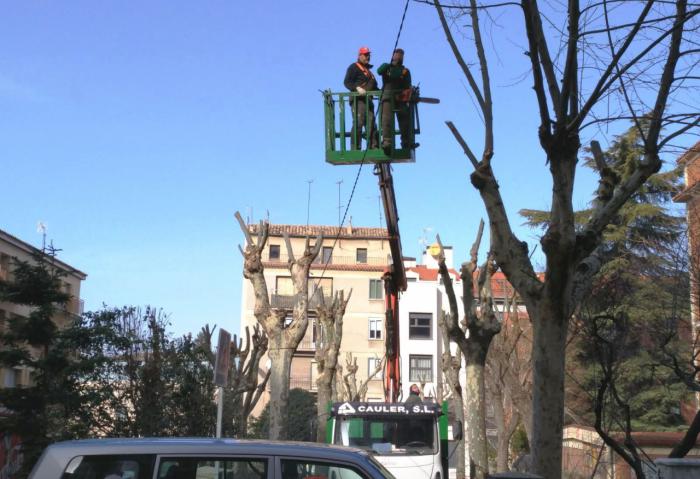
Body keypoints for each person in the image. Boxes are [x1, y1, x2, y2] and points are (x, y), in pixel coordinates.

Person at [377, 48, 413, 153]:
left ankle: (406, 142)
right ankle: (387, 142)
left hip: (400, 98)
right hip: (387, 97)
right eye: (397, 54)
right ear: (393, 55)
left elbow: (408, 85)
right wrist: (390, 64)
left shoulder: (405, 71)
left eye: (401, 55)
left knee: (404, 120)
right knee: (386, 120)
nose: (399, 57)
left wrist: (407, 95)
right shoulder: (386, 67)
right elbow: (379, 71)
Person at [344, 46, 379, 150]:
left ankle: (374, 146)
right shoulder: (354, 67)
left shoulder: (370, 74)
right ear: (359, 56)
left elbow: (376, 88)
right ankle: (355, 147)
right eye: (365, 55)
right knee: (359, 121)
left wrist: (383, 93)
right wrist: (357, 88)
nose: (367, 57)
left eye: (368, 55)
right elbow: (347, 82)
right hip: (358, 100)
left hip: (368, 101)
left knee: (371, 122)